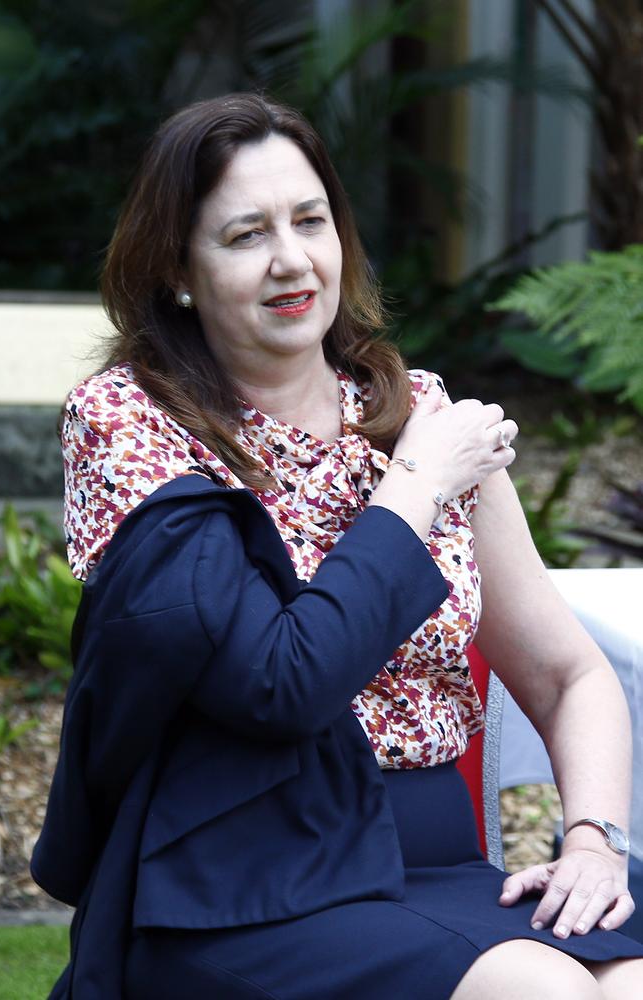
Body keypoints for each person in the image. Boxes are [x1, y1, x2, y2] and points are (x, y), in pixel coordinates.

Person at [32, 93, 643, 1000]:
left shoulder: (421, 415)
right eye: (245, 235)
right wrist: (414, 486)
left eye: (310, 220)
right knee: (544, 994)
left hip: (433, 862)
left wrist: (592, 843)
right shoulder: (133, 427)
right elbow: (282, 683)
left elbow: (568, 675)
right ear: (178, 271)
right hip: (244, 878)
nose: (292, 259)